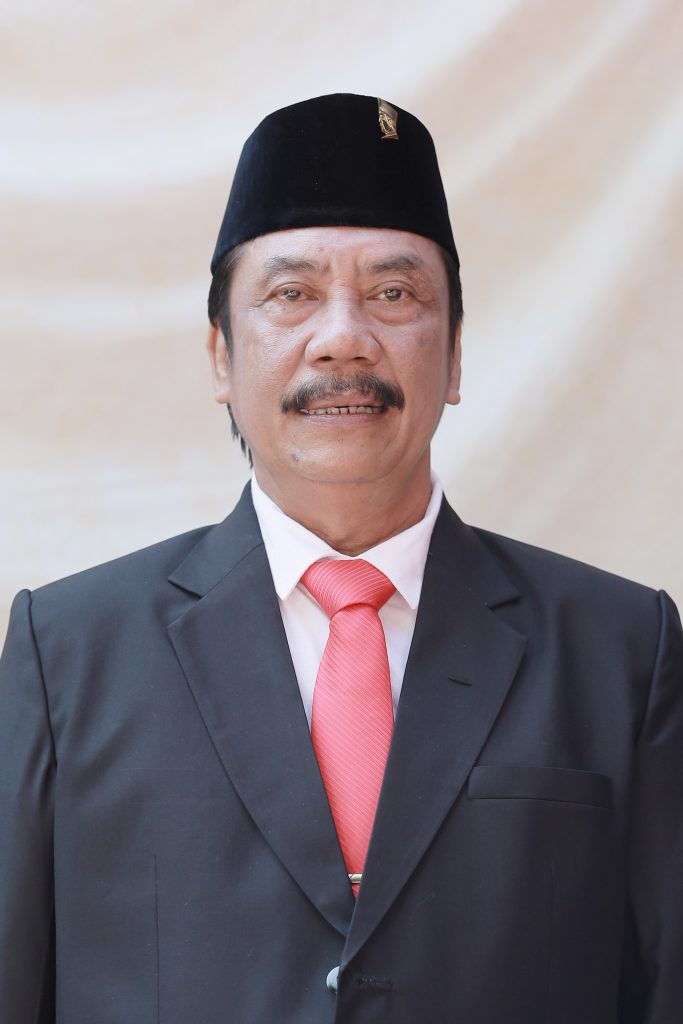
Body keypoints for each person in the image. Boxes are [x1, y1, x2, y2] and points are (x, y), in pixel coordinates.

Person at [0, 93, 681, 1024]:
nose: (344, 339)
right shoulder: (67, 653)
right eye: (291, 295)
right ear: (220, 357)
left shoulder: (621, 650)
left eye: (394, 294)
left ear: (453, 357)